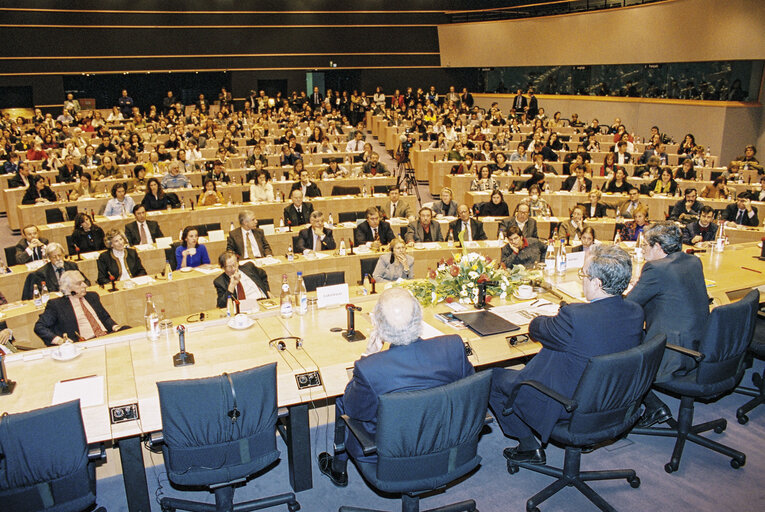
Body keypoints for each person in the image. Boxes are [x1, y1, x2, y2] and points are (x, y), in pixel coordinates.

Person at [490, 245, 644, 463]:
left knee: (492, 378)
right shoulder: (636, 312)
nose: (582, 279)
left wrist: (560, 314)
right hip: (613, 400)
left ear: (597, 283)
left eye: (584, 274)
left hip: (568, 405)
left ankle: (528, 446)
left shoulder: (575, 316)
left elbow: (537, 328)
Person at [318, 287, 474, 486]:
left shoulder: (370, 369)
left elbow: (354, 410)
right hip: (448, 443)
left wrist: (368, 356)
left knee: (344, 398)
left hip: (389, 456)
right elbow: (469, 392)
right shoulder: (453, 347)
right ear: (419, 319)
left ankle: (338, 468)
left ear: (378, 326)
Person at [627, 222, 709, 427]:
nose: (643, 249)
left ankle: (651, 405)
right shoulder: (693, 260)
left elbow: (629, 306)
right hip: (701, 344)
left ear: (658, 247)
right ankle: (653, 404)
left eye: (646, 244)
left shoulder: (655, 268)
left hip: (674, 354)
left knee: (620, 346)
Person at [34, 270, 123, 346]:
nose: (85, 285)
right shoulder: (56, 305)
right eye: (79, 283)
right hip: (85, 343)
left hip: (106, 336)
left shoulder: (92, 296)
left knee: (127, 329)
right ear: (67, 287)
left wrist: (115, 327)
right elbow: (39, 327)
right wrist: (59, 340)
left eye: (83, 282)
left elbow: (105, 317)